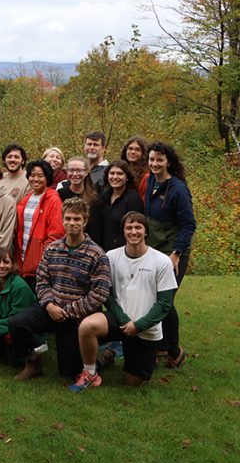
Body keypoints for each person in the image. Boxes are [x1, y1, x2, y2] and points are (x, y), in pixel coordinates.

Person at [70, 212, 177, 391]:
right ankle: (90, 373)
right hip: (119, 320)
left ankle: (111, 354)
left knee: (132, 381)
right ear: (123, 231)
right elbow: (107, 294)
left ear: (146, 232)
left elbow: (165, 303)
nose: (133, 232)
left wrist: (138, 325)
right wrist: (124, 320)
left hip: (145, 328)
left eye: (138, 227)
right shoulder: (111, 257)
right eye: (129, 227)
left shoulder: (162, 261)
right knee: (87, 326)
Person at [8, 198, 110, 380]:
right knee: (17, 323)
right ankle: (33, 362)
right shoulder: (52, 249)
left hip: (77, 316)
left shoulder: (97, 254)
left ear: (85, 221)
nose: (72, 223)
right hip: (52, 308)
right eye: (68, 218)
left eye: (77, 219)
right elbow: (42, 280)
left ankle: (102, 359)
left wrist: (68, 311)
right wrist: (49, 305)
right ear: (62, 220)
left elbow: (99, 294)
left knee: (69, 372)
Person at [144, 141, 196, 369]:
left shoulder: (178, 189)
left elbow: (189, 224)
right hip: (154, 249)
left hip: (173, 252)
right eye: (152, 159)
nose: (155, 163)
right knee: (155, 299)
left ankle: (174, 352)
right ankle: (162, 345)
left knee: (165, 301)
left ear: (169, 162)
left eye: (160, 160)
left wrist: (176, 254)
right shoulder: (151, 181)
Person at [0, 247, 36, 362]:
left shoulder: (20, 286)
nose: (2, 266)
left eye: (6, 262)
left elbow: (18, 317)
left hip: (20, 325)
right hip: (0, 321)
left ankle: (20, 358)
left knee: (9, 334)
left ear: (12, 264)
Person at [15, 160, 64, 292]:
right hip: (24, 260)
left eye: (40, 175)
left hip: (39, 265)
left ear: (47, 177)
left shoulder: (53, 199)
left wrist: (40, 259)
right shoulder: (27, 198)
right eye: (32, 175)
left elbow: (56, 234)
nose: (35, 179)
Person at [98, 160, 144, 252]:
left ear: (127, 177)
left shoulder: (133, 199)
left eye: (119, 174)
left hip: (123, 252)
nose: (115, 177)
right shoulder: (103, 196)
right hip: (102, 251)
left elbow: (135, 228)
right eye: (112, 173)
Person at [56, 156, 104, 243]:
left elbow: (96, 230)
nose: (75, 174)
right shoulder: (59, 194)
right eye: (71, 170)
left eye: (79, 170)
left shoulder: (94, 199)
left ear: (86, 172)